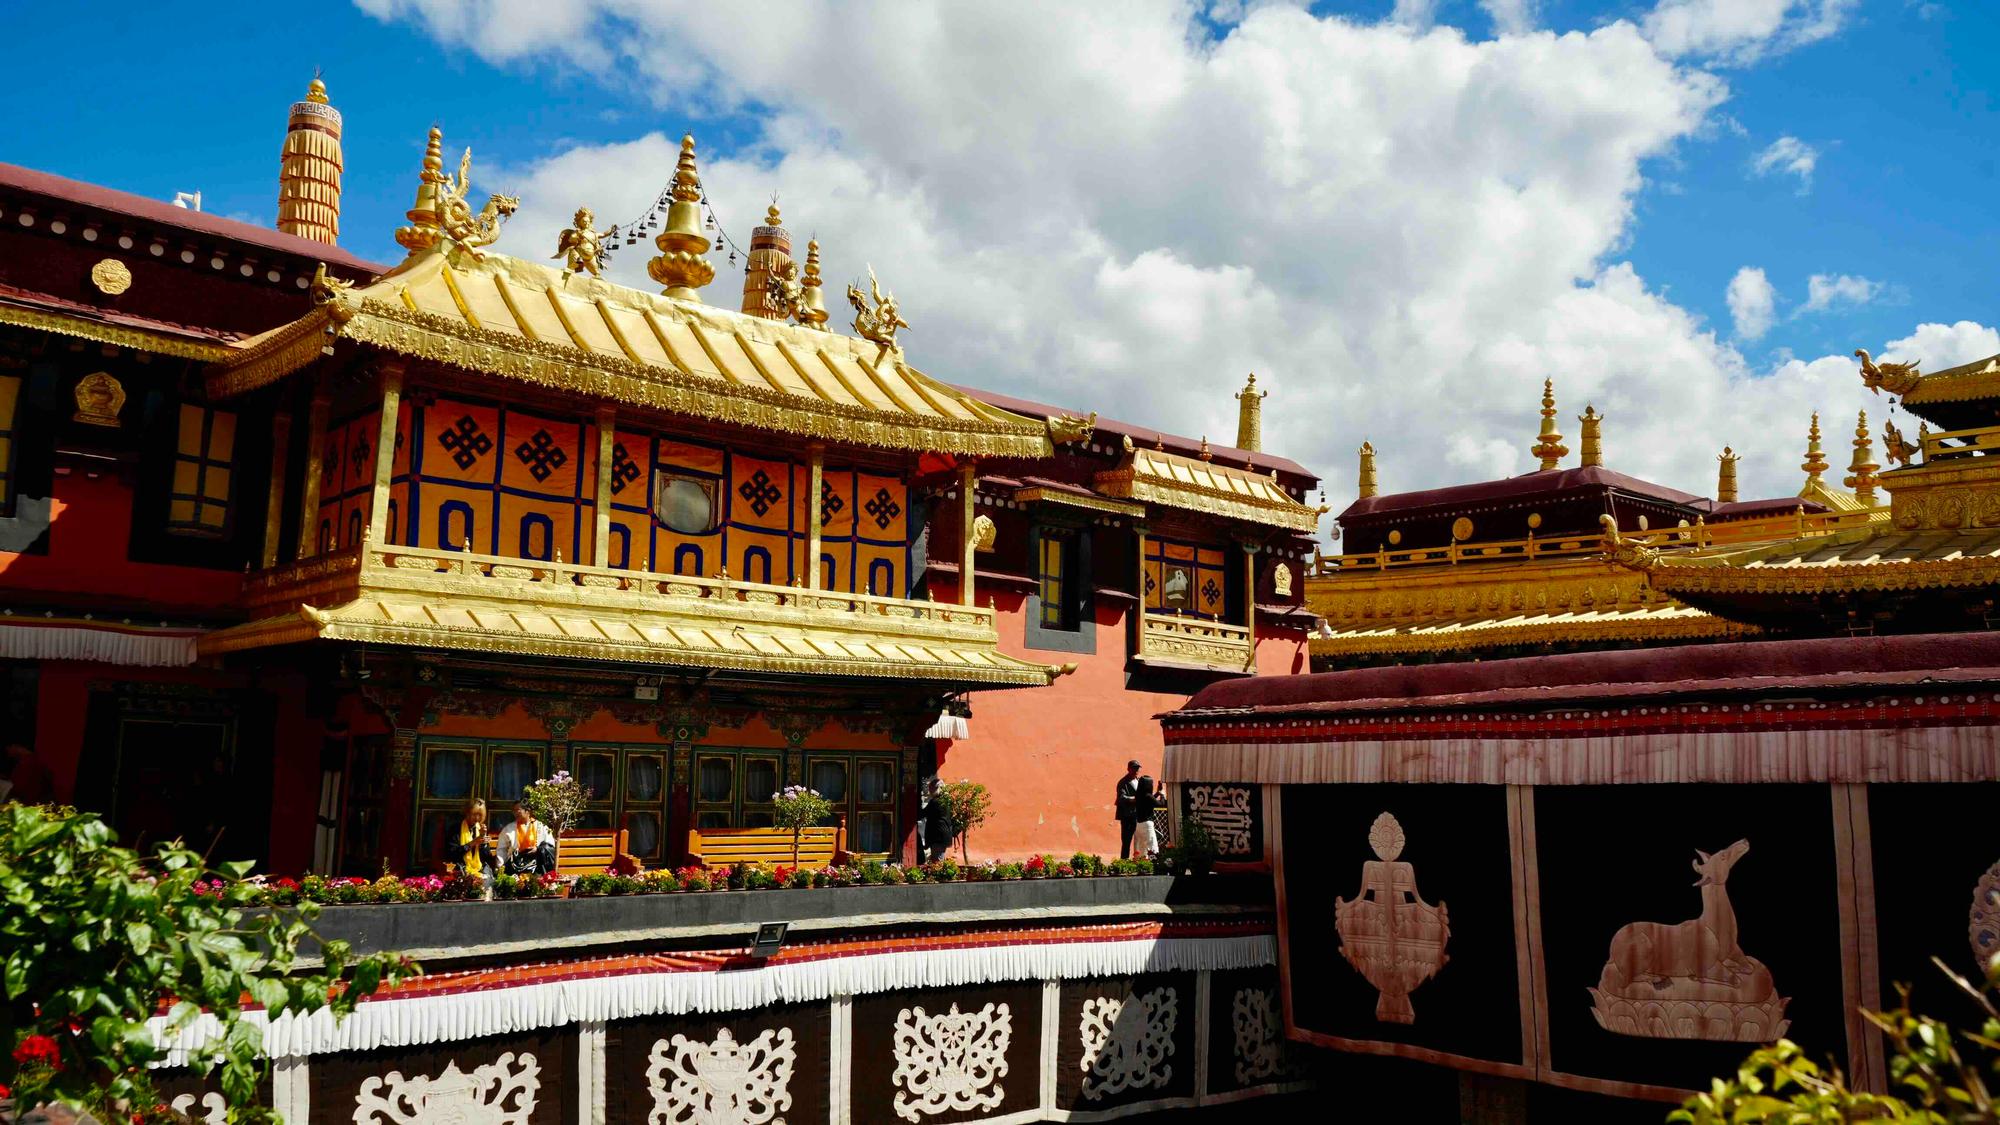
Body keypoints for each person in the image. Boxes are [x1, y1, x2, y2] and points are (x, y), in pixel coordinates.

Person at [496, 802, 555, 875]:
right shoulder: (508, 829)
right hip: (515, 867)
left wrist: (538, 849)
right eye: (514, 811)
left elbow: (550, 846)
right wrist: (500, 868)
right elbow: (501, 849)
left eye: (518, 810)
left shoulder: (541, 827)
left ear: (528, 811)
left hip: (537, 866)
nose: (515, 813)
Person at [456, 798, 496, 890]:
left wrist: (483, 843)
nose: (477, 818)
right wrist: (473, 843)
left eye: (480, 815)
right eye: (474, 814)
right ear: (467, 813)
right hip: (462, 866)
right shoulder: (456, 829)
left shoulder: (480, 830)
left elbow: (487, 857)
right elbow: (452, 853)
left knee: (488, 881)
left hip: (479, 868)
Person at [5, 741, 54, 806]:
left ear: (14, 746)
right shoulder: (32, 760)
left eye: (8, 749)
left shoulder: (28, 763)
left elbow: (21, 787)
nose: (8, 753)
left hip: (28, 806)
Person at [1115, 760, 1142, 859]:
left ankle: (1142, 860)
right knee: (1126, 841)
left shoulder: (1139, 781)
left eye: (1137, 768)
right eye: (1134, 768)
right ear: (1128, 769)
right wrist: (1134, 799)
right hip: (1127, 815)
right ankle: (1124, 862)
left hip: (1138, 815)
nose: (1136, 770)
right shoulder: (1123, 782)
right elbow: (1121, 798)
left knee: (1141, 840)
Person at [1131, 776, 1161, 860]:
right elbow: (1159, 804)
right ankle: (1154, 863)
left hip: (1138, 824)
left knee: (1142, 848)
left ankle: (1142, 865)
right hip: (1147, 824)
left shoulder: (1139, 795)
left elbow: (1151, 800)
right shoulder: (1148, 795)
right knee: (1152, 846)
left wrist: (1157, 793)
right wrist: (1162, 794)